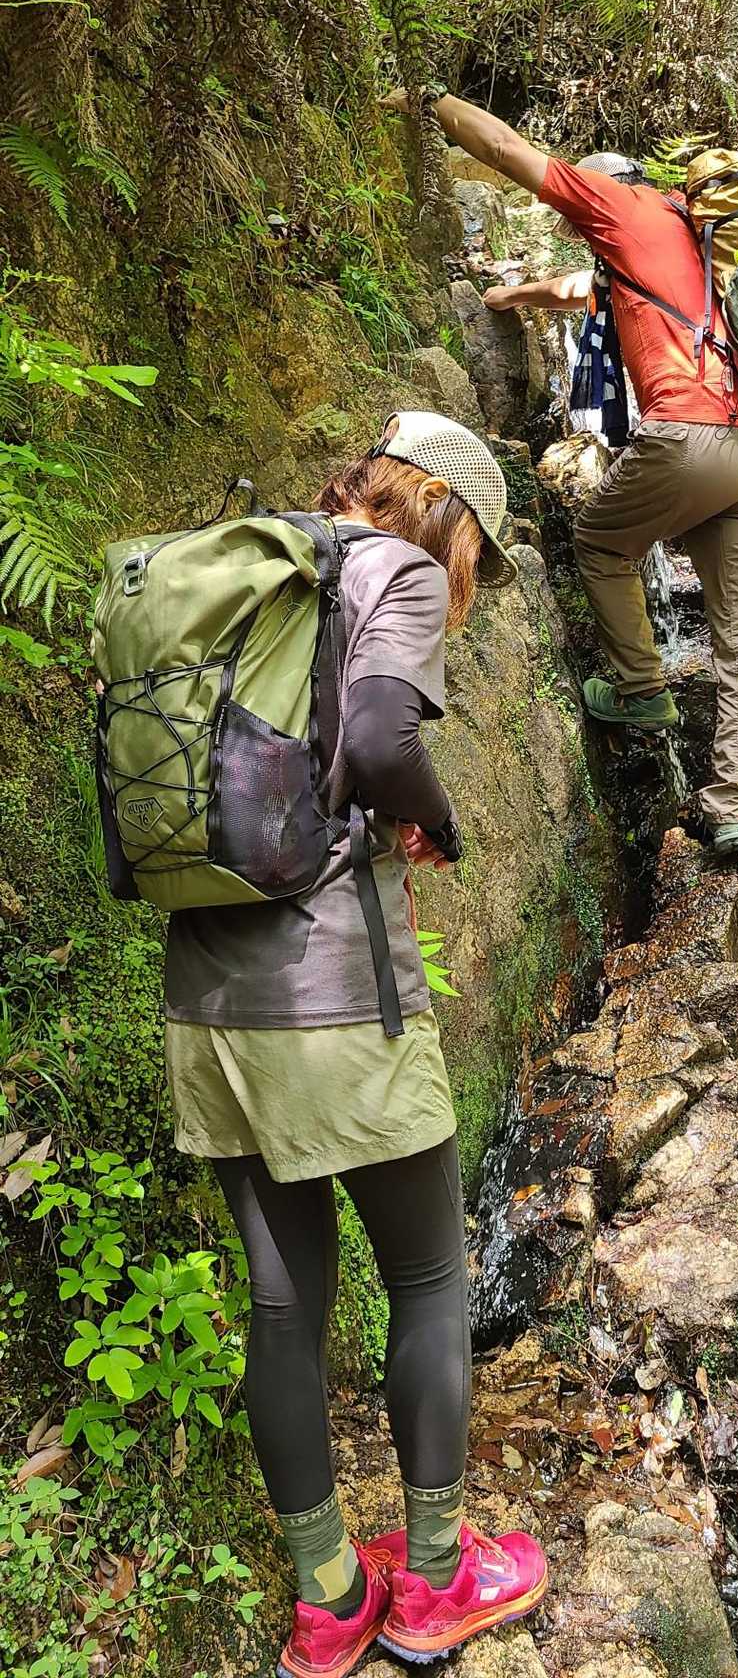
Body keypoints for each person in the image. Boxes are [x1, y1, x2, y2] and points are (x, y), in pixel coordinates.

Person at [162, 411, 548, 1676]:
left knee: (285, 1303)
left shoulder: (257, 568)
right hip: (336, 1002)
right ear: (451, 515)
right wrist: (440, 822)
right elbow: (382, 738)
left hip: (209, 1003)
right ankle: (434, 1582)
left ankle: (329, 1599)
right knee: (430, 1279)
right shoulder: (400, 570)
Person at [394, 89, 738, 859]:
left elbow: (505, 150)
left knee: (601, 543)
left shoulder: (622, 210)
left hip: (693, 436)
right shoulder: (724, 242)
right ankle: (730, 813)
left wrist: (433, 101)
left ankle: (642, 690)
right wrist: (518, 294)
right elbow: (579, 290)